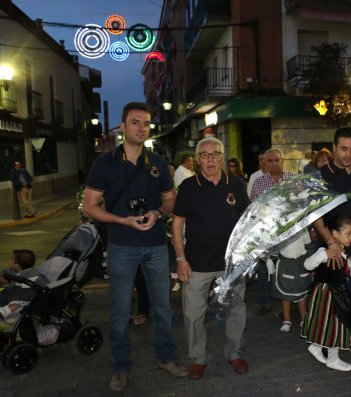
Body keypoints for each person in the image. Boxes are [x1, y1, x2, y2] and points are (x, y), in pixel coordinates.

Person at [82, 102, 186, 392]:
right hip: (122, 246)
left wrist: (158, 214)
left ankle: (166, 357)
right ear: (123, 127)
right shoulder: (105, 163)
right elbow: (89, 207)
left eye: (146, 123)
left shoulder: (157, 162)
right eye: (136, 122)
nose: (142, 127)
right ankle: (121, 366)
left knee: (163, 307)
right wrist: (122, 221)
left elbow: (170, 198)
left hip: (155, 246)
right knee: (119, 310)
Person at [172, 137, 251, 380]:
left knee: (235, 309)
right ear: (197, 160)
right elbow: (177, 225)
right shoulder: (188, 187)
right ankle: (198, 357)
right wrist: (180, 259)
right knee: (194, 314)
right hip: (197, 263)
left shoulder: (235, 184)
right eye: (204, 155)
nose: (210, 160)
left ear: (222, 157)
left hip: (231, 265)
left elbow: (248, 221)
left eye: (215, 154)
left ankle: (234, 353)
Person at [313, 127, 351, 358]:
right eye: (343, 149)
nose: (348, 154)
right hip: (331, 247)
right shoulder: (321, 174)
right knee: (333, 297)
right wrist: (330, 242)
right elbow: (314, 214)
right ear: (334, 147)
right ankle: (328, 340)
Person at [302, 214, 351, 372]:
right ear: (335, 234)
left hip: (339, 292)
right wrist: (324, 255)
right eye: (348, 233)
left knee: (330, 324)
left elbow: (348, 274)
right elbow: (307, 265)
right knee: (334, 324)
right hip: (327, 294)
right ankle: (332, 359)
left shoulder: (344, 251)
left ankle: (316, 346)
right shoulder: (325, 250)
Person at [250, 148, 295, 315]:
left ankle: (289, 300)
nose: (274, 163)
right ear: (265, 163)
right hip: (266, 233)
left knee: (287, 266)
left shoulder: (293, 179)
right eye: (269, 161)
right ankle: (266, 301)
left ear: (282, 161)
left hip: (290, 232)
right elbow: (254, 210)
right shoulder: (259, 183)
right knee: (264, 268)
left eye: (277, 160)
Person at [270, 230, 313, 333]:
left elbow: (308, 245)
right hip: (285, 263)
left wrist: (311, 264)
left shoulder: (303, 229)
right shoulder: (281, 229)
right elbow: (273, 247)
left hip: (300, 262)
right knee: (285, 292)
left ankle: (304, 320)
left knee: (301, 292)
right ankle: (287, 320)